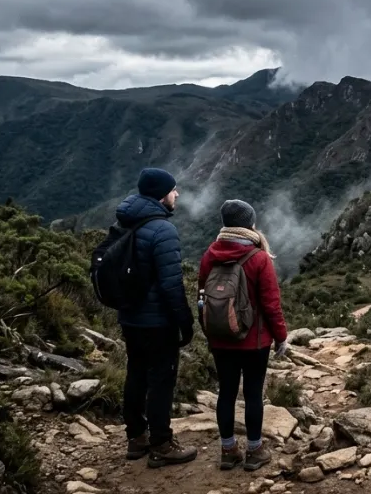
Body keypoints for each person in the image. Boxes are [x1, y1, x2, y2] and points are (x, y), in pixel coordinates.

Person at [114, 168, 198, 468]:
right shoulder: (163, 230)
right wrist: (185, 322)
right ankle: (162, 443)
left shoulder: (126, 221)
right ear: (162, 195)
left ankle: (136, 438)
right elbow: (171, 284)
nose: (177, 195)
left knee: (136, 374)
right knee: (161, 380)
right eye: (174, 190)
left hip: (130, 317)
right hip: (158, 322)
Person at [197, 199, 289, 471]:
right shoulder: (259, 258)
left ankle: (228, 451)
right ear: (249, 223)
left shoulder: (209, 255)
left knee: (225, 393)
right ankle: (255, 450)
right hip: (254, 342)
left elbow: (201, 299)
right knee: (252, 394)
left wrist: (210, 333)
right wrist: (281, 337)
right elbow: (271, 303)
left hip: (220, 339)